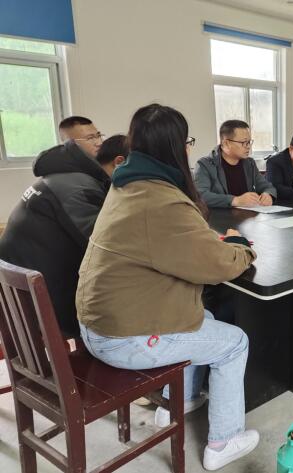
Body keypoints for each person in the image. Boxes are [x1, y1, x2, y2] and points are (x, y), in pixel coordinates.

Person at [75, 104, 259, 471]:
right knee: (235, 342)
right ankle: (224, 441)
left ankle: (180, 402)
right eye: (187, 142)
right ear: (177, 147)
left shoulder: (126, 185)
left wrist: (206, 242)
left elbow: (166, 243)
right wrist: (242, 248)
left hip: (100, 322)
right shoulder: (161, 198)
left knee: (204, 316)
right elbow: (217, 266)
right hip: (124, 337)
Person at [0, 135, 122, 336]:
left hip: (19, 295)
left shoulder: (62, 177)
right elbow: (102, 247)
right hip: (41, 303)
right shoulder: (79, 188)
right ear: (120, 162)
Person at [195, 119, 277, 208]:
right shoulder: (204, 165)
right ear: (226, 143)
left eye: (249, 142)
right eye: (244, 142)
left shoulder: (249, 163)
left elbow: (268, 187)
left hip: (249, 215)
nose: (248, 147)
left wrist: (268, 195)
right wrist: (235, 200)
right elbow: (201, 195)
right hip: (220, 216)